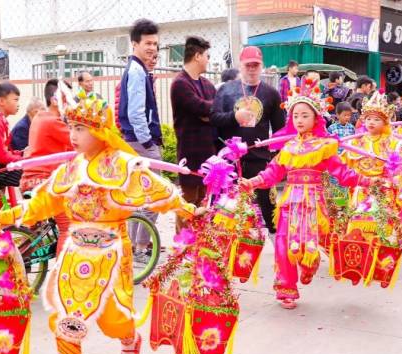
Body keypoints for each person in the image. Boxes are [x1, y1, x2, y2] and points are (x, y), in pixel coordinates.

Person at [0, 90, 200, 354]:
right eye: (70, 127)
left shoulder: (124, 166)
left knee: (113, 321)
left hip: (112, 253)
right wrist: (4, 217)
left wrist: (187, 208)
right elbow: (44, 201)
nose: (72, 135)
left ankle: (129, 340)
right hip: (74, 253)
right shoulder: (70, 169)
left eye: (80, 129)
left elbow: (157, 189)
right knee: (63, 316)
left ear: (100, 130)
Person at [239, 76, 369, 309]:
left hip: (314, 205)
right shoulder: (289, 147)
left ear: (316, 118)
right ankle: (286, 289)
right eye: (295, 116)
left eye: (304, 115)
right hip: (289, 203)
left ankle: (310, 266)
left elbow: (342, 173)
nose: (299, 120)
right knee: (282, 244)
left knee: (311, 247)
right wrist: (252, 182)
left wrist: (367, 180)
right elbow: (272, 173)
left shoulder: (325, 146)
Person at [340, 92, 402, 286]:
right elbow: (342, 161)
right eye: (368, 119)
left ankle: (381, 267)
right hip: (361, 189)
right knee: (356, 227)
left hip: (383, 189)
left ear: (385, 122)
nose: (371, 122)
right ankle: (358, 264)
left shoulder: (391, 141)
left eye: (376, 119)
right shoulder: (357, 142)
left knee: (383, 229)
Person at [211, 46, 285, 238]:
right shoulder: (225, 90)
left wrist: (275, 159)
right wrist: (235, 116)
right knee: (224, 212)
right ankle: (223, 259)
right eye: (248, 65)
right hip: (229, 163)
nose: (252, 69)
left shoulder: (271, 93)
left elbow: (279, 130)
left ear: (262, 66)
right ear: (240, 65)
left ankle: (279, 259)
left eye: (256, 65)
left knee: (270, 215)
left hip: (260, 162)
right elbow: (214, 119)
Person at [119, 18, 162, 261]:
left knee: (139, 197)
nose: (152, 48)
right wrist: (148, 142)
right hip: (140, 142)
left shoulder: (138, 69)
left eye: (155, 44)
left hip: (134, 140)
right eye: (147, 43)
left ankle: (136, 247)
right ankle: (141, 247)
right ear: (134, 43)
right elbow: (136, 112)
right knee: (155, 195)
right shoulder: (136, 71)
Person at [20, 79, 73, 255]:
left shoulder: (40, 117)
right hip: (44, 181)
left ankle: (17, 267)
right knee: (68, 227)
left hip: (30, 180)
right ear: (54, 100)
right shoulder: (53, 121)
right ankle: (61, 277)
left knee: (32, 233)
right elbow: (78, 143)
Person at [170, 36, 217, 231]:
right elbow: (201, 108)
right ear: (197, 56)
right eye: (207, 55)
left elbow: (214, 109)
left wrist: (209, 112)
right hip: (189, 156)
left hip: (209, 155)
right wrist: (208, 112)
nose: (208, 60)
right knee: (187, 207)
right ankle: (182, 253)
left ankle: (203, 252)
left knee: (207, 206)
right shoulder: (180, 83)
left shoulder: (207, 85)